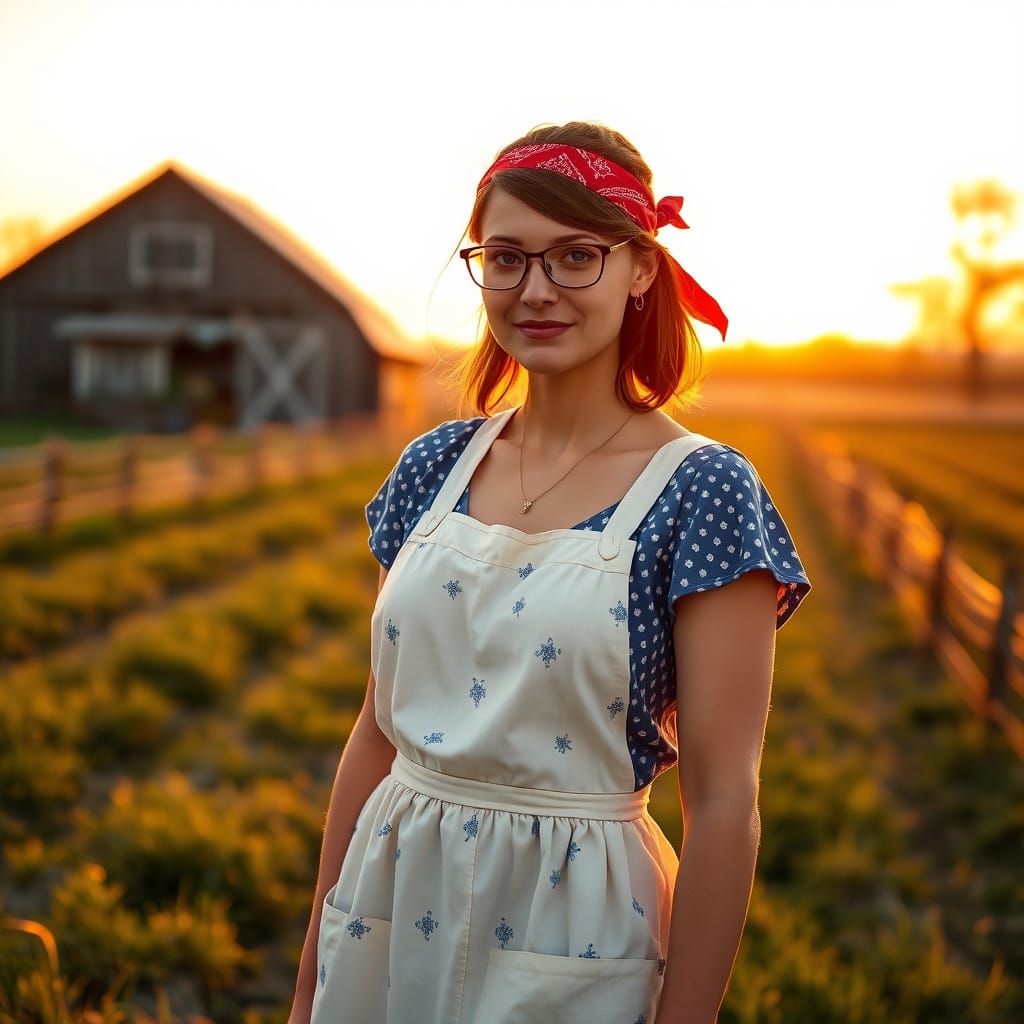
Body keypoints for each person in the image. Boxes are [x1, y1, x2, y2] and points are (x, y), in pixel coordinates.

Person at [289, 121, 812, 1024]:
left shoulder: (701, 491)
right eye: (506, 258)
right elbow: (375, 734)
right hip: (388, 900)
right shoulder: (432, 467)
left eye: (576, 257)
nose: (535, 290)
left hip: (575, 923)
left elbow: (725, 801)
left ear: (642, 267)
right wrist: (310, 986)